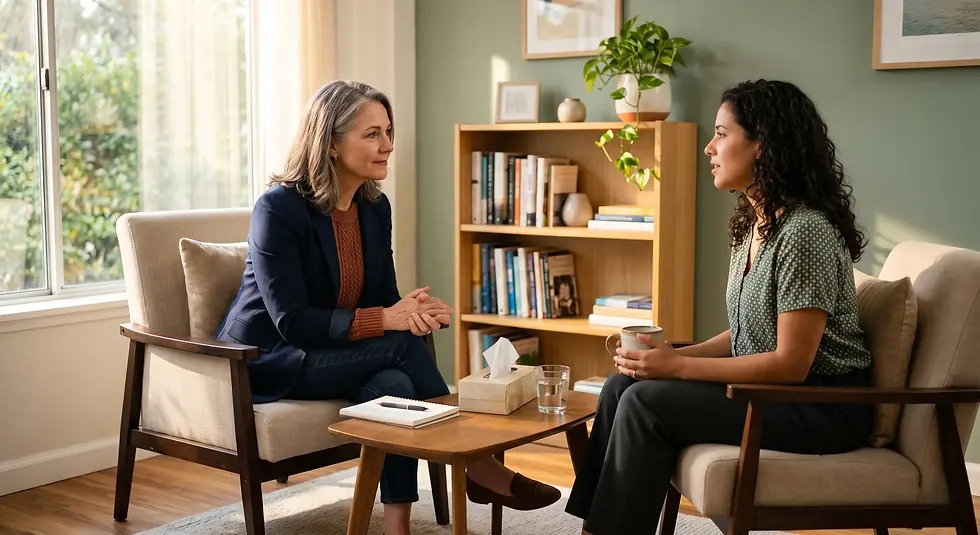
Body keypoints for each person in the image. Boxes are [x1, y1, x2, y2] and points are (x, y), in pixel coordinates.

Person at [214, 80, 560, 535]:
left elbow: (382, 297)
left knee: (394, 383)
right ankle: (479, 464)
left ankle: (397, 525)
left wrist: (412, 309)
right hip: (271, 359)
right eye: (372, 134)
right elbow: (291, 320)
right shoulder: (278, 209)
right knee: (399, 347)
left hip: (334, 351)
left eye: (388, 132)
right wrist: (389, 320)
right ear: (331, 143)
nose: (388, 146)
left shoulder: (375, 209)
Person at [564, 79, 874, 535]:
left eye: (722, 134)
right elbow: (748, 336)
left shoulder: (805, 232)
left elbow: (790, 363)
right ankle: (598, 528)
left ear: (762, 147)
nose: (709, 147)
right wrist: (665, 358)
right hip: (777, 397)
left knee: (648, 402)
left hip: (822, 406)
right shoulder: (756, 225)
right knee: (618, 386)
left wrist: (676, 369)